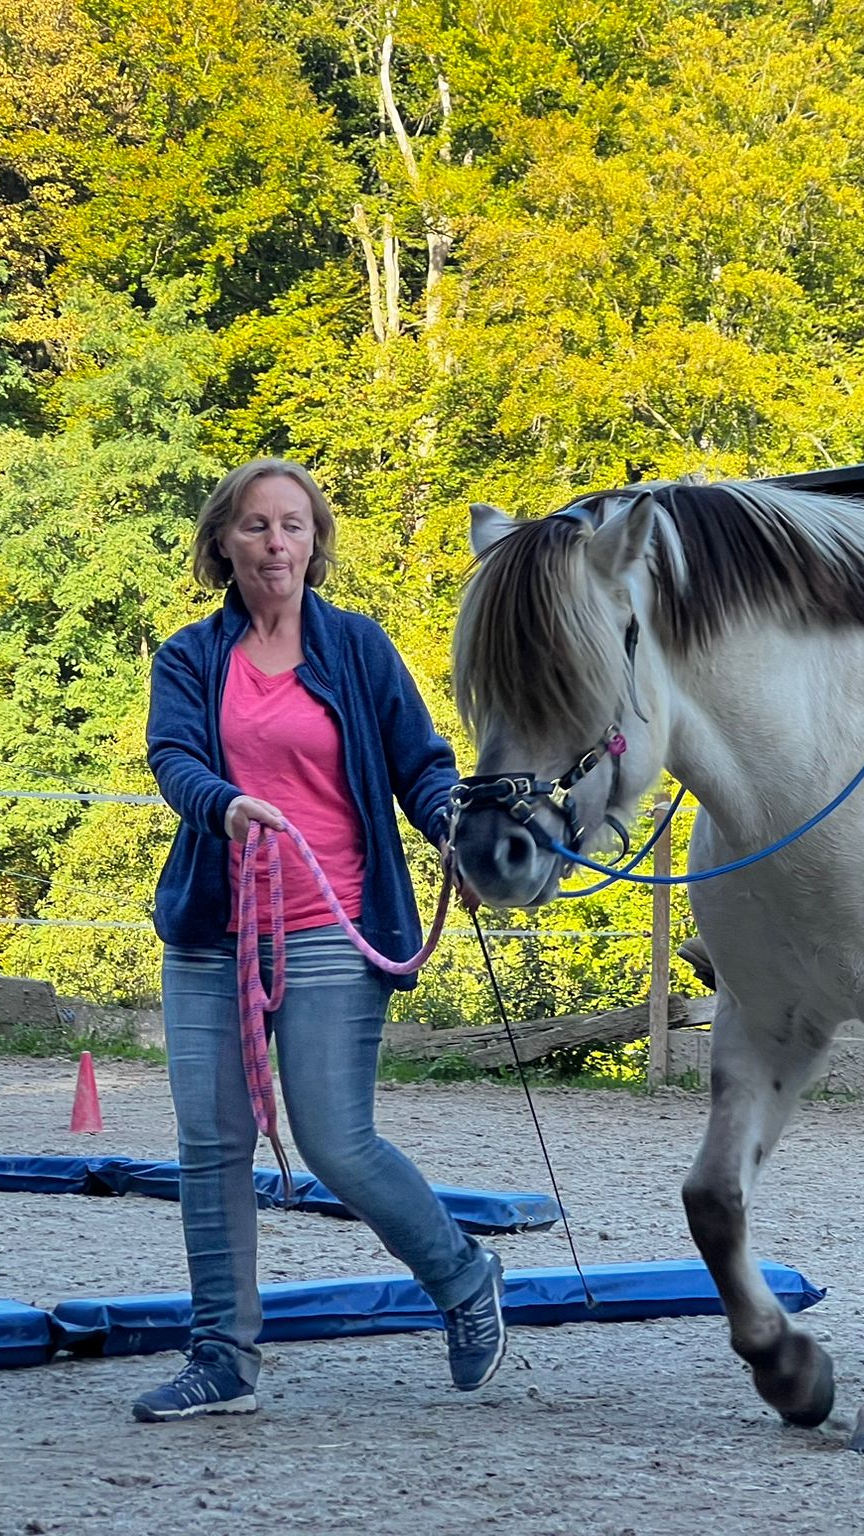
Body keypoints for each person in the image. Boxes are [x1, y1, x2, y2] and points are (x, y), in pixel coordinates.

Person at [136, 457, 504, 1422]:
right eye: (255, 526)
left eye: (292, 526)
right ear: (223, 543)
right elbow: (172, 756)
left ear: (315, 543)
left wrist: (453, 833)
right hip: (215, 927)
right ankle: (221, 1357)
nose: (275, 544)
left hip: (334, 920)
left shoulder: (356, 647)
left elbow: (422, 764)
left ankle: (464, 1278)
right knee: (211, 1144)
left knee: (336, 1140)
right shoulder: (189, 657)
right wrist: (222, 806)